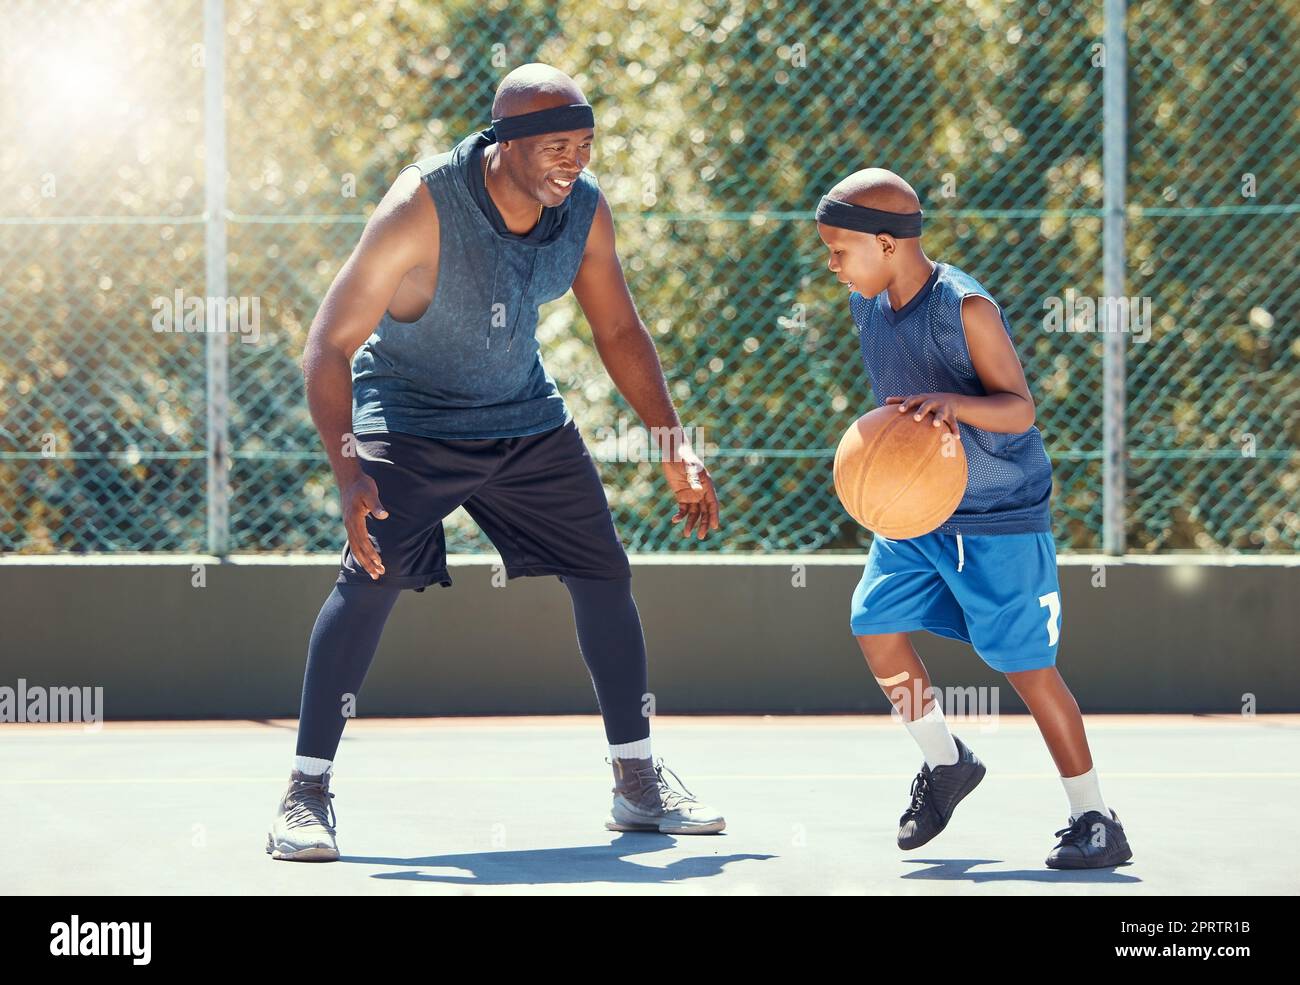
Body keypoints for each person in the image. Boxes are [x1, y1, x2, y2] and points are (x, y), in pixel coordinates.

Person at [267, 64, 724, 862]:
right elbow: (329, 343)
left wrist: (671, 442)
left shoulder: (581, 210)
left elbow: (619, 332)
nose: (574, 161)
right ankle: (304, 794)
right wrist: (349, 470)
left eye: (584, 144)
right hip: (409, 413)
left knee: (604, 571)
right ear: (505, 143)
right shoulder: (422, 206)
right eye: (557, 145)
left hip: (521, 413)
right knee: (371, 571)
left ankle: (637, 782)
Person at [814, 168, 1132, 869]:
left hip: (997, 518)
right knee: (874, 626)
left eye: (840, 250)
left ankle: (1096, 818)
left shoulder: (965, 308)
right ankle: (947, 762)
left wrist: (955, 404)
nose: (831, 264)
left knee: (1028, 670)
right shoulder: (868, 303)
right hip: (918, 514)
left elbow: (1019, 407)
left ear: (888, 243)